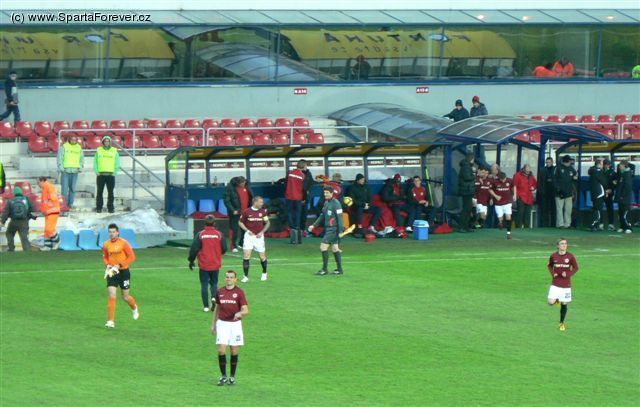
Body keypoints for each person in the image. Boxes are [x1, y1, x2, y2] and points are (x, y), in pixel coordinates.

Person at [212, 270, 249, 386]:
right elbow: (217, 308)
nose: (229, 279)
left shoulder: (239, 292)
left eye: (231, 277)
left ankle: (232, 377)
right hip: (222, 324)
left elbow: (246, 310)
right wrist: (213, 324)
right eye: (227, 277)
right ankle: (223, 376)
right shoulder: (220, 291)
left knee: (234, 350)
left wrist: (240, 313)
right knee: (221, 350)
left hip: (235, 325)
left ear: (235, 279)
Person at [102, 223, 139, 328]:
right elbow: (105, 257)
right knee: (112, 295)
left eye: (113, 232)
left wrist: (119, 265)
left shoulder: (124, 243)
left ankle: (134, 307)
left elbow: (132, 257)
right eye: (110, 232)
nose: (111, 234)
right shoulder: (106, 244)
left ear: (117, 232)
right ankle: (110, 321)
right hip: (112, 272)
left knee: (125, 297)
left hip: (124, 272)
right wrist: (108, 265)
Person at [188, 215, 227, 312]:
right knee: (214, 283)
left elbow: (194, 249)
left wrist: (191, 261)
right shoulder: (219, 234)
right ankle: (213, 297)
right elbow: (224, 248)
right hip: (215, 263)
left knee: (204, 284)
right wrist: (218, 254)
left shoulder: (200, 234)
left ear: (204, 223)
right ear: (214, 223)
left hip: (204, 264)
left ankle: (206, 306)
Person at [309, 186, 345, 276]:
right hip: (329, 229)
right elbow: (322, 215)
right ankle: (339, 269)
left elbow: (340, 218)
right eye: (324, 193)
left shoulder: (336, 204)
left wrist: (340, 231)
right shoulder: (326, 203)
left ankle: (324, 270)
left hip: (333, 229)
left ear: (332, 193)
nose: (325, 194)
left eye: (327, 193)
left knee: (323, 247)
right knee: (335, 248)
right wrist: (314, 225)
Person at [547, 238, 579, 331]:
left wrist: (568, 274)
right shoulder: (553, 256)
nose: (564, 245)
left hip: (566, 284)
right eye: (562, 244)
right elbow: (549, 266)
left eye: (565, 243)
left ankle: (561, 323)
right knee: (550, 302)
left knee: (564, 303)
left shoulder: (570, 256)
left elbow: (576, 268)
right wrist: (553, 273)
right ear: (558, 246)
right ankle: (557, 301)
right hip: (555, 283)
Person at [238, 196, 270, 282]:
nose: (262, 204)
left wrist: (262, 232)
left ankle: (264, 273)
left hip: (259, 237)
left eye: (262, 202)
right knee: (246, 256)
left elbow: (267, 223)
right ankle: (245, 276)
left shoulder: (262, 212)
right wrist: (247, 230)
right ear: (255, 202)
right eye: (260, 202)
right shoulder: (246, 211)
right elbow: (240, 222)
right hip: (249, 237)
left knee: (262, 257)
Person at [1, 186, 35, 251]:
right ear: (21, 192)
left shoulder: (10, 201)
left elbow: (6, 213)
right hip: (24, 221)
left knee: (9, 233)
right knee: (24, 237)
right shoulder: (26, 199)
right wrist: (29, 217)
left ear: (14, 193)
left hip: (14, 221)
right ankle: (26, 250)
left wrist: (3, 222)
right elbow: (31, 209)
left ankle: (11, 248)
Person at [223, 176, 252, 252]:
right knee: (234, 229)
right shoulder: (230, 188)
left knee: (245, 229)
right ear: (238, 183)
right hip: (235, 213)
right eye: (242, 183)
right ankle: (233, 246)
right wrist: (233, 210)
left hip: (245, 212)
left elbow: (250, 198)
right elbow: (227, 201)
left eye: (244, 182)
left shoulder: (247, 187)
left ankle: (241, 244)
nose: (243, 184)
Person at [57, 135, 84, 209]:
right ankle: (64, 204)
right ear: (69, 140)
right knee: (64, 189)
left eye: (75, 140)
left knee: (73, 189)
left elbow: (81, 159)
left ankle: (71, 203)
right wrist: (61, 168)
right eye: (72, 139)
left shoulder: (79, 147)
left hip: (75, 171)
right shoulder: (64, 147)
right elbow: (59, 158)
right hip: (65, 171)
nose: (73, 141)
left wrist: (80, 167)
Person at [94, 135, 120, 213]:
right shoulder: (98, 150)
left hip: (110, 175)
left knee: (110, 192)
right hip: (101, 175)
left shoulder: (114, 151)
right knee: (99, 192)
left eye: (108, 141)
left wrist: (115, 172)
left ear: (110, 142)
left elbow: (117, 163)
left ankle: (110, 208)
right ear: (103, 142)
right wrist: (96, 172)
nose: (106, 142)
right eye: (105, 141)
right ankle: (99, 207)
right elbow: (95, 162)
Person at [285, 160, 306, 244]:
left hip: (289, 196)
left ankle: (292, 227)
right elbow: (304, 188)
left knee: (289, 212)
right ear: (303, 166)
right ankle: (297, 227)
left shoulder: (290, 173)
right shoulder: (302, 175)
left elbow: (285, 183)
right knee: (297, 213)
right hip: (298, 197)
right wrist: (304, 198)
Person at [553, 155, 577, 229]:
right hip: (559, 193)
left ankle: (567, 224)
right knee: (559, 209)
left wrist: (575, 177)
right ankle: (560, 224)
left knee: (568, 209)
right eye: (569, 161)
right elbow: (554, 180)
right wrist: (558, 189)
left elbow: (575, 175)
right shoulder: (558, 168)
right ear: (566, 161)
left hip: (569, 192)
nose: (570, 162)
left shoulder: (571, 168)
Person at [489, 172, 514, 239]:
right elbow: (490, 190)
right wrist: (496, 196)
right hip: (498, 203)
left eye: (504, 179)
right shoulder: (494, 182)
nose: (503, 181)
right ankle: (500, 223)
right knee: (500, 218)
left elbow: (513, 186)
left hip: (507, 202)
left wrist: (514, 194)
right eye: (501, 179)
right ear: (499, 178)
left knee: (508, 217)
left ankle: (508, 233)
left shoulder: (509, 180)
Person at [38, 176, 60, 250]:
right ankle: (48, 246)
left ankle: (57, 240)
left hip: (52, 211)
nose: (38, 184)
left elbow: (53, 198)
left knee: (49, 229)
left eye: (38, 182)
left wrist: (48, 207)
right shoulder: (45, 188)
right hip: (48, 212)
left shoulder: (49, 187)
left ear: (42, 181)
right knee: (46, 230)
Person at [513, 164, 538, 228]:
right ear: (523, 169)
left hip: (529, 198)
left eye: (529, 171)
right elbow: (515, 185)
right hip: (520, 197)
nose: (528, 172)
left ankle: (527, 228)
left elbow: (535, 184)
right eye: (527, 171)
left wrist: (533, 188)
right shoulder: (518, 175)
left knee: (527, 214)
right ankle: (518, 227)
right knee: (520, 213)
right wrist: (515, 195)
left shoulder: (531, 176)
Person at [457, 154, 476, 232]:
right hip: (466, 190)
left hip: (468, 190)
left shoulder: (466, 166)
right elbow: (467, 177)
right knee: (466, 209)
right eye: (473, 159)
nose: (473, 161)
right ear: (471, 159)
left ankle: (466, 226)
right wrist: (474, 174)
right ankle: (462, 227)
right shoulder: (466, 167)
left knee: (468, 208)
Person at [587, 159, 607, 232]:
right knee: (598, 210)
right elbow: (603, 181)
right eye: (601, 164)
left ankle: (595, 225)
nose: (602, 166)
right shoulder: (598, 171)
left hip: (594, 193)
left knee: (596, 209)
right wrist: (607, 188)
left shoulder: (592, 171)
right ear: (598, 164)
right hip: (599, 193)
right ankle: (593, 225)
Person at [615, 160, 633, 234]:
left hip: (625, 198)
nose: (619, 166)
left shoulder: (627, 174)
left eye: (620, 165)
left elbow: (627, 187)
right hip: (620, 197)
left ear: (624, 165)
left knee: (625, 213)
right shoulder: (622, 173)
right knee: (620, 213)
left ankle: (628, 228)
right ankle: (622, 227)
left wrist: (622, 196)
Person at [298, 164, 314, 242]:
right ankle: (298, 231)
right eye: (305, 166)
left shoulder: (308, 174)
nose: (306, 167)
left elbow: (311, 183)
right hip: (298, 198)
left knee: (304, 215)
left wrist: (307, 192)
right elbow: (302, 187)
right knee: (298, 215)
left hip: (304, 198)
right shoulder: (298, 174)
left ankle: (302, 230)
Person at [538, 157, 556, 227]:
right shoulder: (542, 170)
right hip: (544, 193)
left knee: (553, 210)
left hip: (553, 193)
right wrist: (540, 191)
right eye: (547, 162)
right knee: (544, 210)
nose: (548, 163)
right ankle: (544, 224)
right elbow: (539, 181)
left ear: (552, 162)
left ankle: (553, 225)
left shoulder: (555, 169)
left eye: (549, 162)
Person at [602, 159, 617, 231]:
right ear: (604, 165)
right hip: (601, 192)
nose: (608, 166)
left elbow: (615, 182)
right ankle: (600, 224)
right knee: (599, 208)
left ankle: (611, 224)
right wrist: (603, 190)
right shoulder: (600, 171)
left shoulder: (613, 172)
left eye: (609, 164)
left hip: (609, 193)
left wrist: (611, 189)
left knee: (610, 209)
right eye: (607, 164)